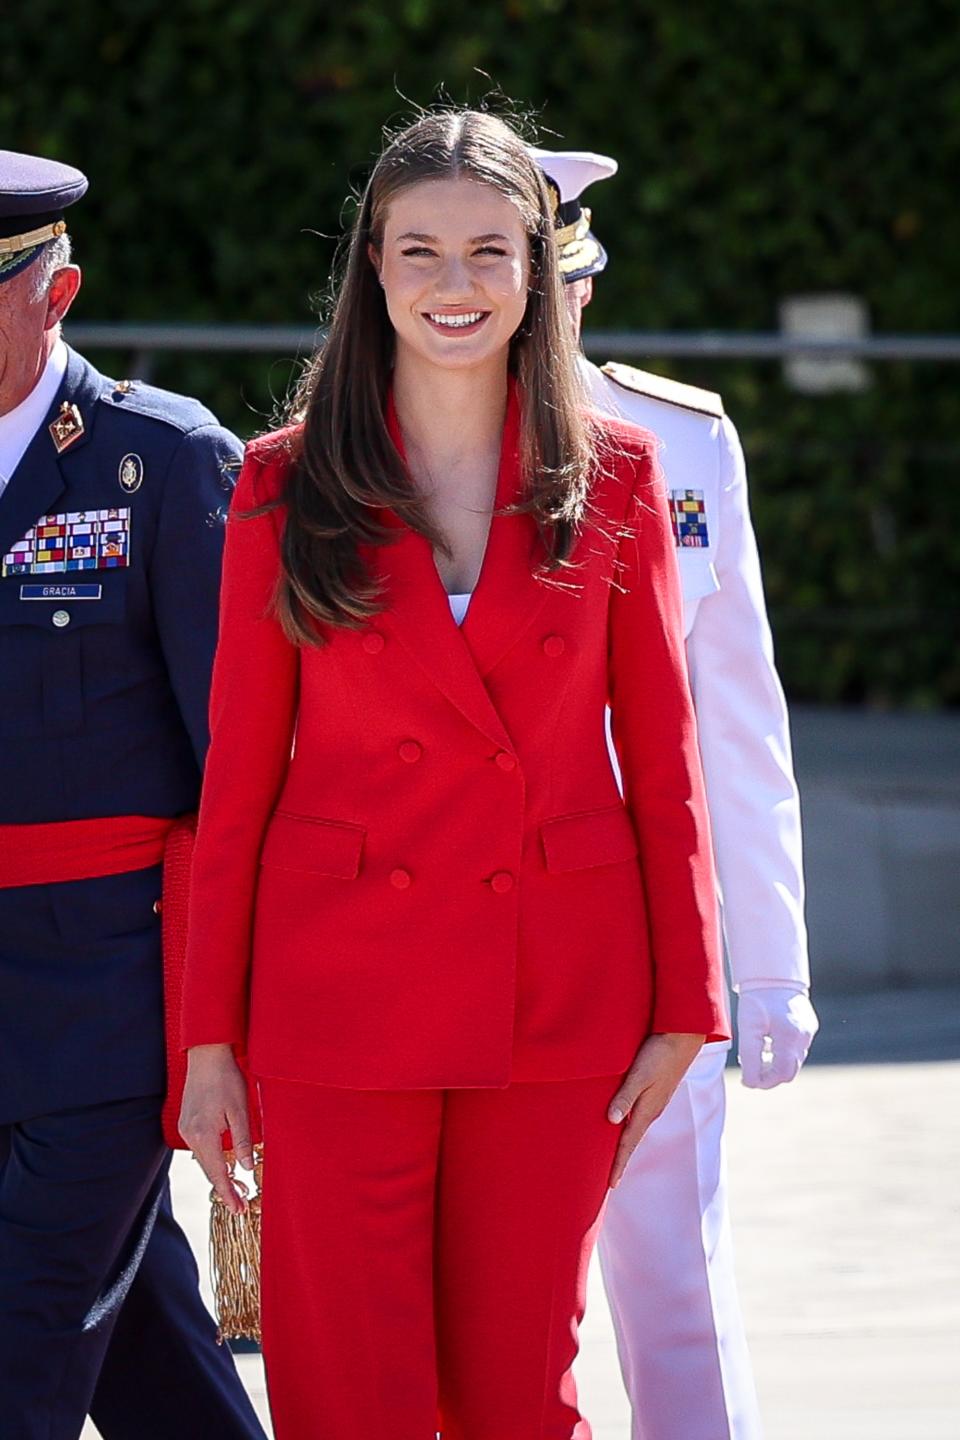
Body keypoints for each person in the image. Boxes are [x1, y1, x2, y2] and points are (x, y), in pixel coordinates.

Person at [179, 107, 729, 1440]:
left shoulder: (621, 479)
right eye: (419, 251)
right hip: (335, 1006)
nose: (454, 286)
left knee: (518, 1396)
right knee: (345, 1394)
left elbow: (664, 761)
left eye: (489, 252)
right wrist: (205, 1041)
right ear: (371, 265)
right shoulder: (280, 485)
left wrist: (688, 1002)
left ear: (538, 267)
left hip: (555, 998)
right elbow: (237, 788)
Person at [534, 147, 820, 1440]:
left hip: (652, 943)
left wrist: (771, 967)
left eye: (558, 286)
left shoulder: (683, 445)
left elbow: (739, 726)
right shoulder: (390, 453)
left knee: (676, 1291)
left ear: (583, 289)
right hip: (481, 931)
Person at [0, 151, 265, 1440]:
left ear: (57, 293)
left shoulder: (157, 465)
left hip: (103, 1005)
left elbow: (243, 767)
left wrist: (229, 1027)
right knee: (151, 1353)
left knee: (20, 1342)